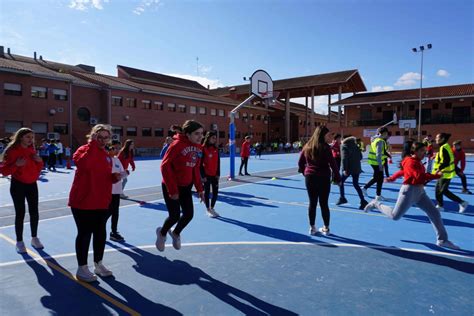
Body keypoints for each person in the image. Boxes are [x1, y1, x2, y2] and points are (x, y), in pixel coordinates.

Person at [364, 142, 460, 250]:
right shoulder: (410, 162)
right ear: (415, 151)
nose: (424, 153)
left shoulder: (417, 162)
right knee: (395, 216)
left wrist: (392, 178)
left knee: (434, 213)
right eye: (422, 151)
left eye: (425, 151)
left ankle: (442, 240)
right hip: (409, 191)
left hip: (420, 192)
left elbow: (403, 172)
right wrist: (436, 176)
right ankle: (376, 204)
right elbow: (418, 176)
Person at [69, 124, 121, 282]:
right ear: (92, 136)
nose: (103, 140)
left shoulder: (106, 154)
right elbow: (85, 165)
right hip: (83, 201)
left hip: (101, 200)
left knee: (100, 233)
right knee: (85, 233)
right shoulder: (83, 150)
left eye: (106, 137)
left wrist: (114, 178)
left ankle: (98, 263)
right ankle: (82, 268)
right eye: (100, 137)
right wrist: (92, 144)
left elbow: (103, 175)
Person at [155, 120, 205, 252]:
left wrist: (200, 189)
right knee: (174, 216)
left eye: (202, 134)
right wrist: (172, 190)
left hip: (186, 186)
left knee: (189, 214)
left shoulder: (199, 147)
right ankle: (162, 233)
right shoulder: (176, 144)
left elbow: (195, 168)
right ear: (187, 134)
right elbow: (164, 166)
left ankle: (175, 233)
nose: (200, 137)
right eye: (197, 134)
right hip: (171, 186)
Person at [0, 128, 44, 253]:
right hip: (18, 185)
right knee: (20, 213)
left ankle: (34, 238)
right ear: (20, 137)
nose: (31, 140)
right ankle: (19, 241)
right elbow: (4, 171)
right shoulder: (12, 151)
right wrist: (16, 165)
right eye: (28, 137)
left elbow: (37, 168)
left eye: (32, 137)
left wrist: (40, 162)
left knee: (34, 212)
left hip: (32, 185)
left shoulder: (32, 150)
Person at [298, 126, 341, 236]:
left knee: (312, 203)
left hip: (310, 177)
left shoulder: (307, 146)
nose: (329, 137)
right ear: (322, 135)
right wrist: (338, 178)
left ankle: (312, 227)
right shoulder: (326, 148)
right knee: (324, 203)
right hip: (323, 177)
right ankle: (326, 228)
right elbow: (333, 164)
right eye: (328, 135)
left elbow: (300, 162)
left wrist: (305, 172)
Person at [432, 133, 469, 213]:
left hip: (445, 173)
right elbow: (446, 157)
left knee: (443, 190)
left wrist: (439, 169)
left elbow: (447, 160)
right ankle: (440, 205)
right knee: (437, 189)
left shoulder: (444, 147)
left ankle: (462, 202)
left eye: (437, 138)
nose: (435, 139)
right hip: (445, 172)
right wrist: (437, 156)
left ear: (442, 139)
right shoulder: (445, 146)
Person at [337, 136, 368, 209]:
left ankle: (342, 198)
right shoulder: (356, 146)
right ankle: (363, 201)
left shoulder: (344, 146)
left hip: (348, 168)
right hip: (357, 167)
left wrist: (344, 169)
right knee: (356, 184)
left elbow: (344, 158)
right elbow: (360, 157)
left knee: (340, 181)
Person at [107, 140, 128, 242]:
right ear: (109, 147)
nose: (117, 150)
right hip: (107, 191)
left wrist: (125, 173)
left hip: (116, 191)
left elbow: (120, 173)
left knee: (115, 212)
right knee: (107, 212)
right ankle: (97, 228)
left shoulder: (117, 160)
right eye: (115, 148)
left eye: (119, 148)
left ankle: (114, 232)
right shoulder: (105, 160)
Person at [362, 127, 389, 200]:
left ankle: (378, 195)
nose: (387, 135)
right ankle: (365, 188)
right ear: (384, 133)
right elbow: (378, 154)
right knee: (378, 178)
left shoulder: (375, 139)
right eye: (387, 133)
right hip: (376, 162)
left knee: (379, 178)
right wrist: (380, 165)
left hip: (373, 162)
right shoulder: (380, 141)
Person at [201, 131, 220, 218]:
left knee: (215, 192)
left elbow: (218, 162)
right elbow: (200, 164)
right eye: (213, 137)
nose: (214, 139)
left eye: (215, 138)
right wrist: (203, 176)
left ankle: (212, 208)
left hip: (214, 174)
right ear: (208, 138)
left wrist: (218, 173)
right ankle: (208, 209)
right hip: (207, 175)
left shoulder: (216, 148)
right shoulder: (203, 148)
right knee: (207, 192)